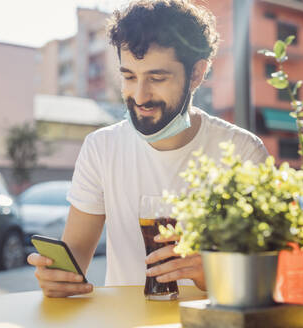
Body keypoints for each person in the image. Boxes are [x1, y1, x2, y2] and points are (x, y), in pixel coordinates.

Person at [27, 0, 268, 298]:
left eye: (157, 78)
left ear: (196, 74)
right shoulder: (101, 147)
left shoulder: (241, 152)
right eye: (129, 77)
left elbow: (267, 276)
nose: (140, 96)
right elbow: (74, 259)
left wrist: (216, 272)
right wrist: (57, 278)